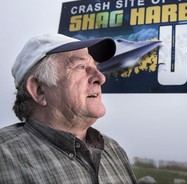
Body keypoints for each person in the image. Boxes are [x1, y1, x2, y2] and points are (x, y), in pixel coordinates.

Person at [0, 34, 137, 184]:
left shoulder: (114, 150)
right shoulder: (4, 157)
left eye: (96, 67)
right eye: (81, 67)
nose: (101, 78)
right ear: (39, 90)